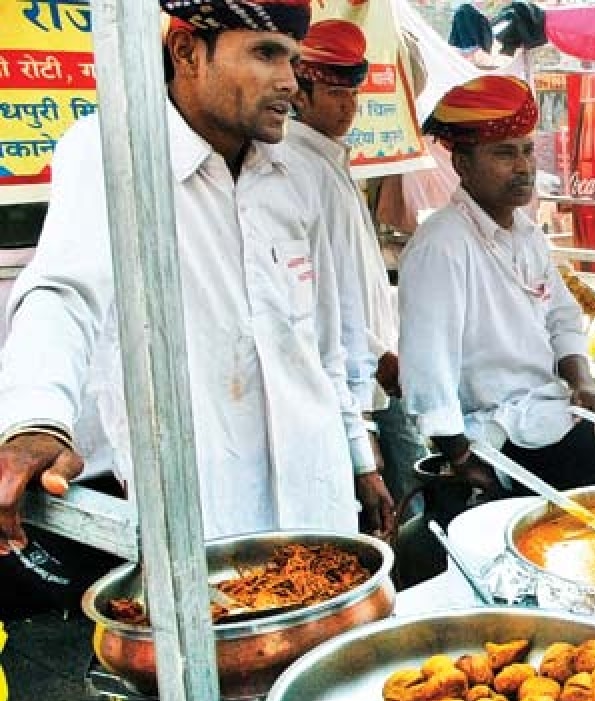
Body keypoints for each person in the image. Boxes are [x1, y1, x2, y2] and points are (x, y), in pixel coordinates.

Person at [0, 0, 395, 554]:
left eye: (292, 60)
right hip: (204, 516)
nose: (289, 81)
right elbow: (62, 293)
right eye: (265, 54)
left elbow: (323, 343)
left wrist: (360, 456)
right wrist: (34, 420)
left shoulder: (298, 174)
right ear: (187, 52)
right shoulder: (114, 151)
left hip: (317, 497)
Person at [399, 75, 595, 501]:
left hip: (543, 408)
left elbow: (563, 317)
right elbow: (426, 367)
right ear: (463, 164)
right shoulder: (442, 245)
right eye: (505, 154)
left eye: (528, 151)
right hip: (492, 430)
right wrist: (460, 457)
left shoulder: (527, 235)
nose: (524, 166)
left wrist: (584, 383)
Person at [287, 20, 426, 511]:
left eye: (353, 93)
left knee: (404, 493)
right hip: (349, 374)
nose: (349, 105)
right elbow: (325, 297)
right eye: (334, 93)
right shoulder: (297, 169)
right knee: (395, 501)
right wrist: (375, 355)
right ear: (299, 94)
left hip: (369, 365)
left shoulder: (332, 162)